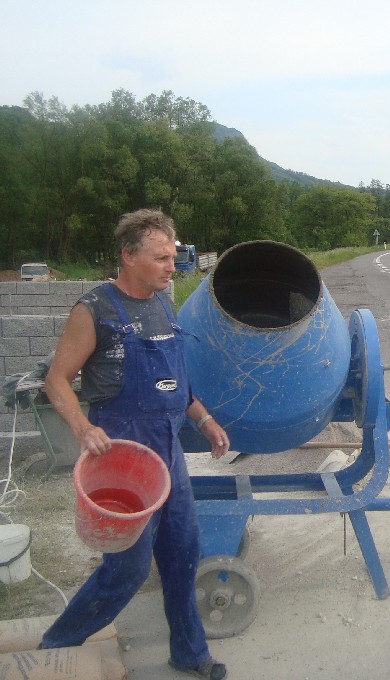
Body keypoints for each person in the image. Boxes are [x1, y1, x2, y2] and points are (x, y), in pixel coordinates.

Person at [40, 209, 230, 680]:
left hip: (168, 453)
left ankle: (189, 652)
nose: (172, 267)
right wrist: (83, 428)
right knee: (128, 568)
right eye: (161, 258)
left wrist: (204, 419)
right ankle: (55, 646)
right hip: (122, 456)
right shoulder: (94, 310)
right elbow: (57, 380)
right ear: (128, 256)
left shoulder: (163, 304)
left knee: (182, 553)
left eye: (173, 257)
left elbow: (175, 383)